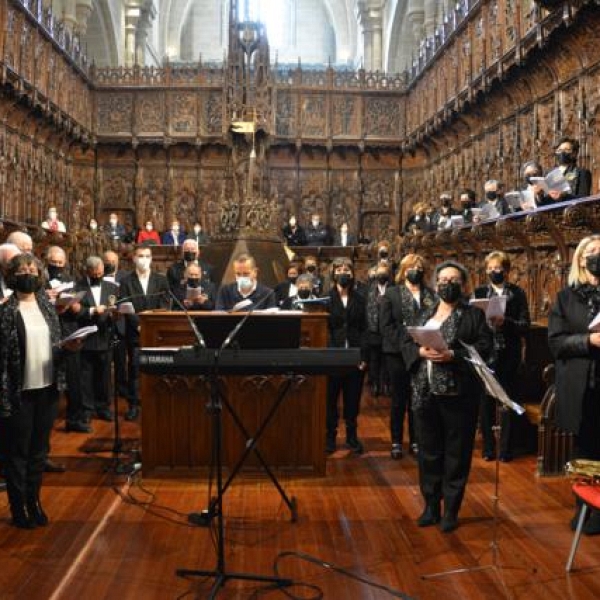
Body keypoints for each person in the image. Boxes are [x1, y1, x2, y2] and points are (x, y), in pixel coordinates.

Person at [402, 260, 492, 532]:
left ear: (463, 285)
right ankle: (431, 505)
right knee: (428, 452)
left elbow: (485, 349)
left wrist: (453, 355)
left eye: (453, 280)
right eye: (442, 280)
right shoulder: (425, 312)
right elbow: (405, 341)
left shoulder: (473, 315)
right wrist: (418, 352)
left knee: (456, 452)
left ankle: (451, 508)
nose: (446, 284)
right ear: (435, 284)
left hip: (458, 393)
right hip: (424, 390)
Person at [0, 253, 81, 528]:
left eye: (32, 268)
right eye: (22, 269)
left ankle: (34, 501)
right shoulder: (6, 310)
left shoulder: (47, 307)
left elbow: (55, 344)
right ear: (13, 275)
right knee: (17, 453)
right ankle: (18, 506)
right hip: (18, 391)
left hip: (47, 389)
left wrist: (68, 348)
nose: (28, 272)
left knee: (38, 451)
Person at [548, 234, 600, 535]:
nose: (597, 256)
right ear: (581, 259)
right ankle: (584, 509)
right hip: (581, 385)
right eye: (592, 252)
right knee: (584, 451)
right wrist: (588, 340)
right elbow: (556, 343)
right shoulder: (566, 298)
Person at [473, 251, 530, 462]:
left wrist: (505, 322)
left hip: (509, 355)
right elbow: (472, 325)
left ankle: (506, 449)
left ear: (505, 270)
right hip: (485, 353)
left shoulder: (517, 293)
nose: (493, 272)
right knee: (485, 404)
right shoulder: (479, 292)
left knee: (508, 402)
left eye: (497, 268)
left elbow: (525, 325)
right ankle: (488, 447)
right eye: (490, 268)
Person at [380, 253, 437, 459]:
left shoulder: (430, 295)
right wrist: (407, 344)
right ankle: (396, 441)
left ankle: (415, 440)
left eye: (420, 267)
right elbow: (386, 327)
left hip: (423, 352)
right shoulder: (392, 294)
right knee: (398, 400)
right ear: (404, 271)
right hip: (397, 354)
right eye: (412, 267)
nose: (416, 271)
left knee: (418, 399)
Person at [119, 246, 170, 420]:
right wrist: (141, 325)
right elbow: (126, 306)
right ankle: (133, 405)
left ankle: (157, 402)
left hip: (156, 332)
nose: (144, 259)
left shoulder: (161, 280)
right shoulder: (126, 281)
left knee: (158, 366)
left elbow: (164, 304)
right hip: (135, 332)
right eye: (140, 256)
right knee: (134, 369)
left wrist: (152, 324)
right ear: (134, 258)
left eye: (147, 256)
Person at [326, 257, 368, 454]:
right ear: (333, 273)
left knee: (352, 400)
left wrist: (364, 357)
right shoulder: (326, 298)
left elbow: (366, 329)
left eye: (347, 270)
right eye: (339, 269)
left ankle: (352, 437)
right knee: (330, 401)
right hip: (332, 357)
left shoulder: (360, 299)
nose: (343, 273)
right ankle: (330, 438)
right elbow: (323, 329)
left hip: (354, 357)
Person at [44, 246, 87, 435]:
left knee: (74, 378)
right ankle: (45, 423)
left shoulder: (70, 280)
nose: (57, 266)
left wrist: (73, 304)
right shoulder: (40, 280)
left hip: (69, 329)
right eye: (53, 262)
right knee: (50, 381)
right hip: (48, 334)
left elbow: (79, 307)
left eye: (60, 263)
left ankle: (75, 419)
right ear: (47, 261)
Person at [75, 257, 120, 424]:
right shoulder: (78, 287)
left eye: (100, 273)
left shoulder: (112, 287)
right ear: (87, 272)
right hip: (86, 338)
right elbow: (75, 313)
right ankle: (87, 409)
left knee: (104, 376)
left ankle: (103, 407)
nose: (98, 276)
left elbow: (116, 308)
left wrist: (116, 314)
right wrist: (93, 310)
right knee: (85, 377)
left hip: (105, 337)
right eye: (94, 274)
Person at [365, 262, 392, 398]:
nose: (381, 275)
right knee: (375, 359)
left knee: (387, 359)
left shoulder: (393, 288)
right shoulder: (370, 289)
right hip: (374, 329)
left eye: (384, 273)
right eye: (379, 273)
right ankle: (375, 384)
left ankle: (386, 384)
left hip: (388, 330)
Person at [551, 137, 592, 201]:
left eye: (567, 150)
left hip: (569, 210)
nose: (562, 153)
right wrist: (538, 195)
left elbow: (584, 199)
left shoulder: (582, 173)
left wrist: (564, 195)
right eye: (559, 150)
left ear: (574, 153)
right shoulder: (549, 173)